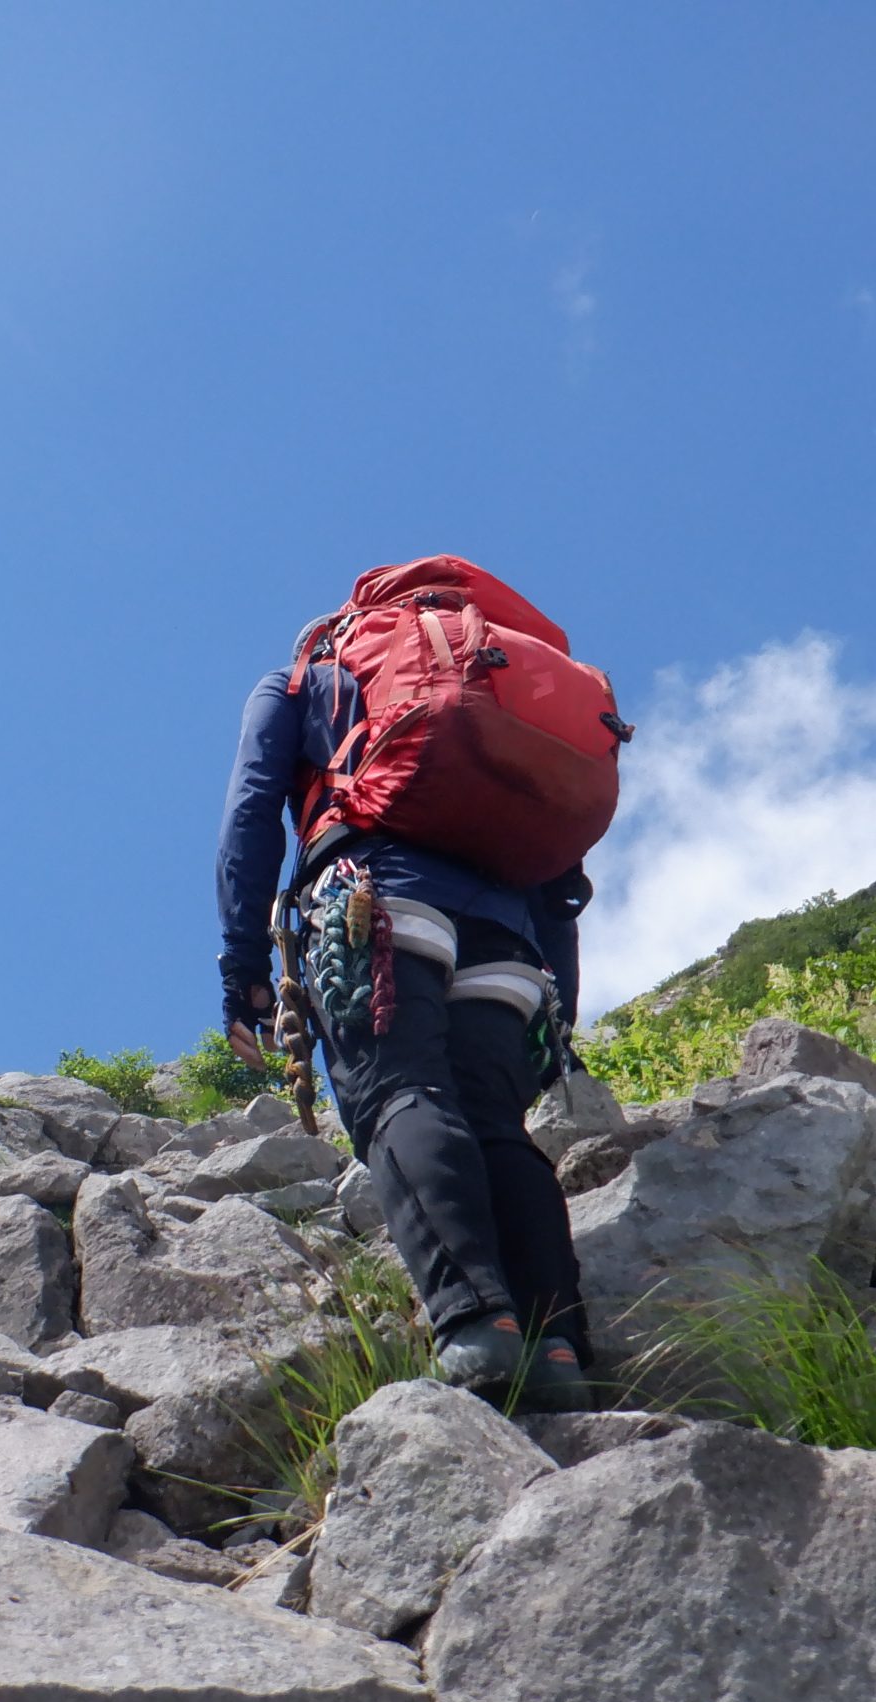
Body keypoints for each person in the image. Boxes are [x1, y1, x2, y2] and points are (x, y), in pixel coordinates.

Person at [215, 569, 600, 1412]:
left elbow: (250, 813)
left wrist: (241, 959)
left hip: (371, 899)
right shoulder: (498, 689)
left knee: (400, 1094)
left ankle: (475, 1327)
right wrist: (557, 1011)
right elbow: (558, 880)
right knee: (498, 1124)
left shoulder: (301, 682)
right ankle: (559, 1346)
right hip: (510, 939)